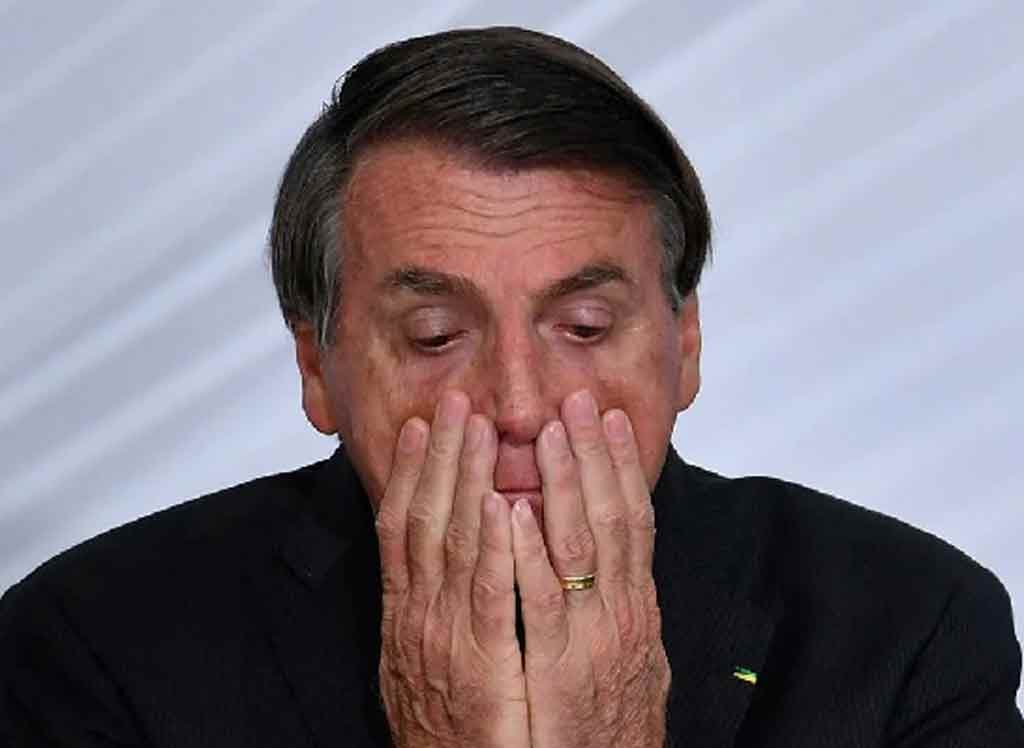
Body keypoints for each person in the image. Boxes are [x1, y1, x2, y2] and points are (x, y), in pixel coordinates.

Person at [1, 26, 1021, 747]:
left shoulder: (908, 627)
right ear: (317, 366)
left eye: (584, 328)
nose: (521, 407)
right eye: (436, 335)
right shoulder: (96, 647)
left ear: (685, 341)